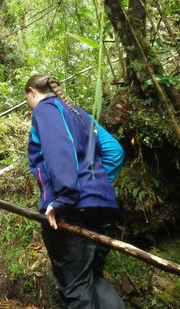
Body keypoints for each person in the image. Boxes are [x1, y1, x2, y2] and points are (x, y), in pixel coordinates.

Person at [24, 73, 125, 308]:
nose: (28, 106)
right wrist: (96, 186)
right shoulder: (79, 114)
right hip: (103, 207)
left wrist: (64, 198)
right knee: (93, 280)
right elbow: (114, 152)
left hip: (72, 209)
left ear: (32, 91)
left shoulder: (45, 109)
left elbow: (60, 150)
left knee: (75, 287)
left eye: (26, 99)